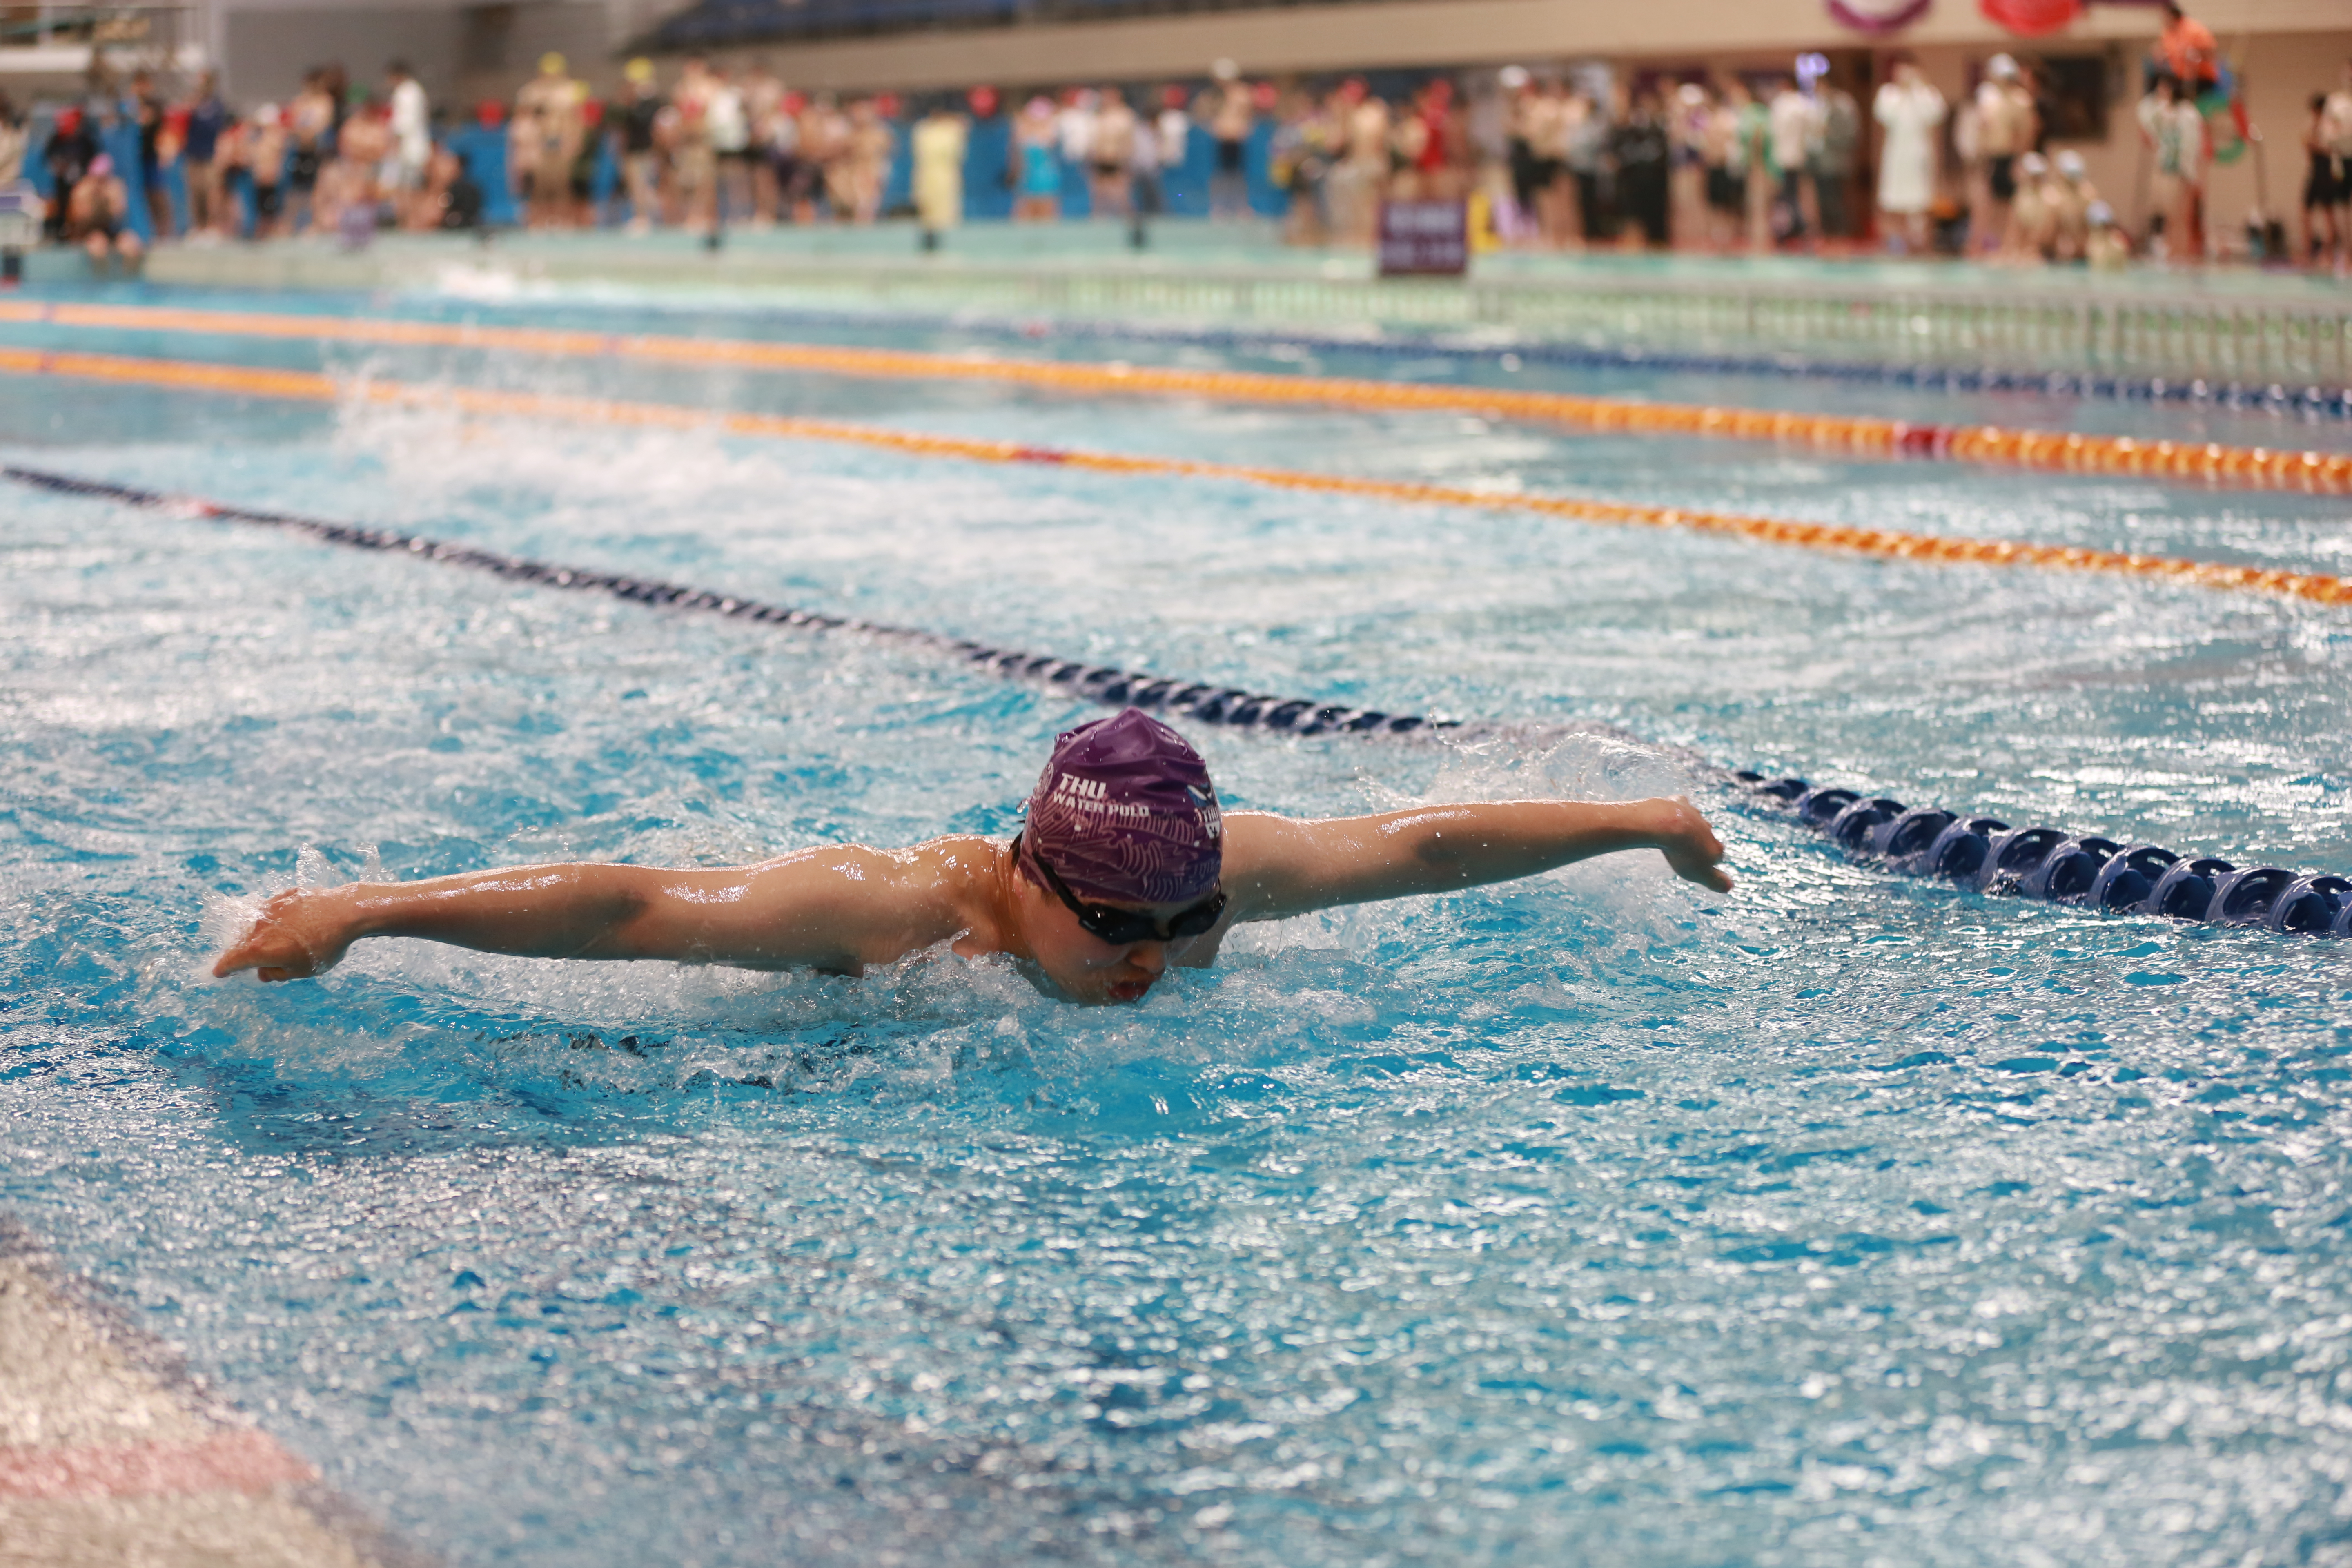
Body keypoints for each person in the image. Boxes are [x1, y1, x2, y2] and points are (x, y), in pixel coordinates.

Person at [212, 709, 1733, 1008]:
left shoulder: (1192, 894)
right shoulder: (891, 918)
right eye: (1124, 936)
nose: (1157, 961)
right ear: (1029, 878)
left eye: (1186, 924)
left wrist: (1647, 822)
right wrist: (363, 912)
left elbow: (1408, 847)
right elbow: (641, 904)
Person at [1873, 55, 1945, 255]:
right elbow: (1885, 116)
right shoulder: (1888, 94)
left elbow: (1935, 116)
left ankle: (1922, 243)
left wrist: (1918, 89)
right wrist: (1904, 93)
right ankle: (1900, 242)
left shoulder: (1927, 93)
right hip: (1896, 156)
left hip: (1919, 155)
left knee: (1923, 200)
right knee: (1894, 200)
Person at [2138, 71, 2205, 261]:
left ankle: (2181, 252)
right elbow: (2143, 112)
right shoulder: (2161, 113)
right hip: (2166, 169)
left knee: (2181, 216)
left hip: (2182, 171)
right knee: (2168, 214)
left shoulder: (2188, 114)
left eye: (2164, 88)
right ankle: (2172, 251)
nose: (2160, 92)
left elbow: (2192, 146)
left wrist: (2192, 174)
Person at [1973, 55, 2037, 254]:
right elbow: (1983, 131)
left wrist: (2021, 160)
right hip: (1992, 156)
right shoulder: (1987, 97)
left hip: (2012, 157)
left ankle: (2011, 245)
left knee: (2014, 206)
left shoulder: (2021, 100)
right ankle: (1983, 244)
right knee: (1987, 203)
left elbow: (2027, 133)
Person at [68, 152, 142, 274]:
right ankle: (100, 283)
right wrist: (90, 201)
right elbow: (78, 218)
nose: (100, 183)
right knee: (98, 247)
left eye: (103, 179)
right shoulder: (83, 190)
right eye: (98, 179)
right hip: (90, 231)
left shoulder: (115, 188)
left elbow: (120, 217)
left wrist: (112, 201)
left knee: (131, 245)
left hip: (111, 230)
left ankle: (129, 281)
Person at [614, 59, 664, 234]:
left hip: (647, 149)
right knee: (637, 186)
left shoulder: (651, 101)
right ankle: (643, 217)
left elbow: (646, 122)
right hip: (633, 149)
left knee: (644, 186)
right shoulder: (631, 100)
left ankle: (646, 218)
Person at [1766, 74, 1815, 245]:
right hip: (1795, 158)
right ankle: (1791, 230)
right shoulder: (1803, 104)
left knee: (1787, 197)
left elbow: (1772, 132)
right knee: (1788, 196)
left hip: (1784, 159)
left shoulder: (1784, 105)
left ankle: (1795, 229)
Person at [911, 96, 965, 249]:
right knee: (927, 216)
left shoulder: (952, 130)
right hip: (927, 178)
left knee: (946, 216)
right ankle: (929, 248)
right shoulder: (923, 129)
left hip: (946, 178)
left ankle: (946, 247)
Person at [1809, 80, 1859, 247]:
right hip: (1819, 161)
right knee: (1823, 200)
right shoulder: (1818, 105)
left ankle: (1841, 235)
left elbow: (1850, 134)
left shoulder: (1842, 105)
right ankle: (1827, 234)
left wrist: (1828, 134)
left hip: (1835, 161)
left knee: (1836, 200)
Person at [383, 61, 430, 227]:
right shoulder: (415, 91)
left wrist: (393, 148)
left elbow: (403, 125)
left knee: (407, 189)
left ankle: (410, 223)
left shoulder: (406, 93)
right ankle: (410, 222)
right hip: (414, 148)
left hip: (408, 149)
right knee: (409, 187)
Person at [181, 71, 228, 236]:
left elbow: (218, 128)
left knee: (211, 191)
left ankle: (212, 225)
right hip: (193, 154)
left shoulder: (216, 105)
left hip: (210, 155)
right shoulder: (192, 104)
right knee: (196, 192)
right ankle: (199, 226)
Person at [1011, 95, 1060, 222]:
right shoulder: (1023, 132)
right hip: (1027, 179)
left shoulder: (1049, 132)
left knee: (1046, 216)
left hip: (1045, 179)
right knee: (1024, 217)